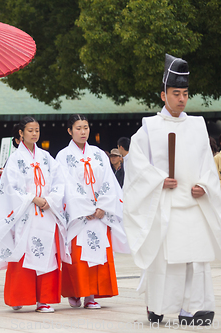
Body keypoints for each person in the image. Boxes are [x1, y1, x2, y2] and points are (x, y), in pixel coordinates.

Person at [123, 54, 221, 326]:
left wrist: (204, 185)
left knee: (196, 260)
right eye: (175, 93)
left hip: (194, 205)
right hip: (165, 204)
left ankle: (195, 309)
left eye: (185, 93)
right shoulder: (149, 128)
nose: (181, 99)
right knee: (167, 262)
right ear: (163, 95)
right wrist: (157, 180)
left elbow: (207, 165)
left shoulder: (197, 125)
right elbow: (137, 166)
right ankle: (158, 306)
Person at [0, 116, 69, 313]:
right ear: (21, 133)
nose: (34, 134)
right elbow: (10, 188)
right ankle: (19, 296)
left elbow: (60, 181)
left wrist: (50, 200)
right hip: (26, 213)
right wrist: (33, 198)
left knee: (47, 253)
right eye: (30, 130)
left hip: (47, 211)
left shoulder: (46, 157)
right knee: (23, 253)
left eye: (37, 130)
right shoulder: (15, 159)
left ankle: (44, 299)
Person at [56, 114, 128, 309]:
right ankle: (76, 292)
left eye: (86, 127)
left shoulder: (98, 154)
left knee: (98, 254)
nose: (83, 131)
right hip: (78, 214)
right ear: (70, 131)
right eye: (78, 128)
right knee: (78, 255)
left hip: (99, 213)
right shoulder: (63, 156)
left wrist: (102, 206)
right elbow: (65, 185)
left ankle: (92, 295)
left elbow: (109, 181)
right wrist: (83, 208)